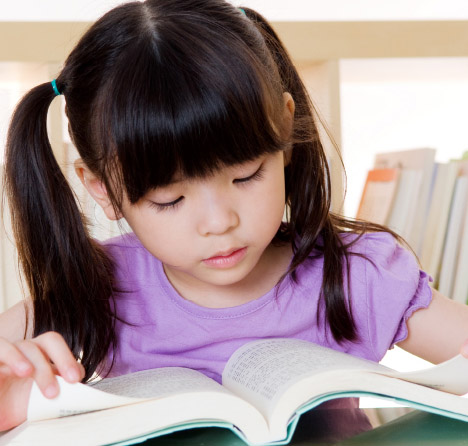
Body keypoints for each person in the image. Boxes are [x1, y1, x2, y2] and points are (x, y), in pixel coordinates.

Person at [1, 0, 468, 434]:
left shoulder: (357, 274)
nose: (218, 222)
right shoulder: (94, 287)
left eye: (245, 175)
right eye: (169, 199)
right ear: (102, 187)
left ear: (285, 130)